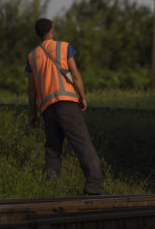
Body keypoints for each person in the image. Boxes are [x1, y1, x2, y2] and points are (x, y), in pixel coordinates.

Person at [26, 17, 105, 195]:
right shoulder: (63, 47)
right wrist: (82, 97)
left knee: (53, 148)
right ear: (52, 30)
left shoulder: (31, 57)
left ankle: (51, 188)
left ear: (37, 34)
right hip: (67, 103)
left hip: (47, 109)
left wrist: (32, 114)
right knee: (82, 142)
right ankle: (94, 184)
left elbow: (31, 90)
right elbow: (75, 75)